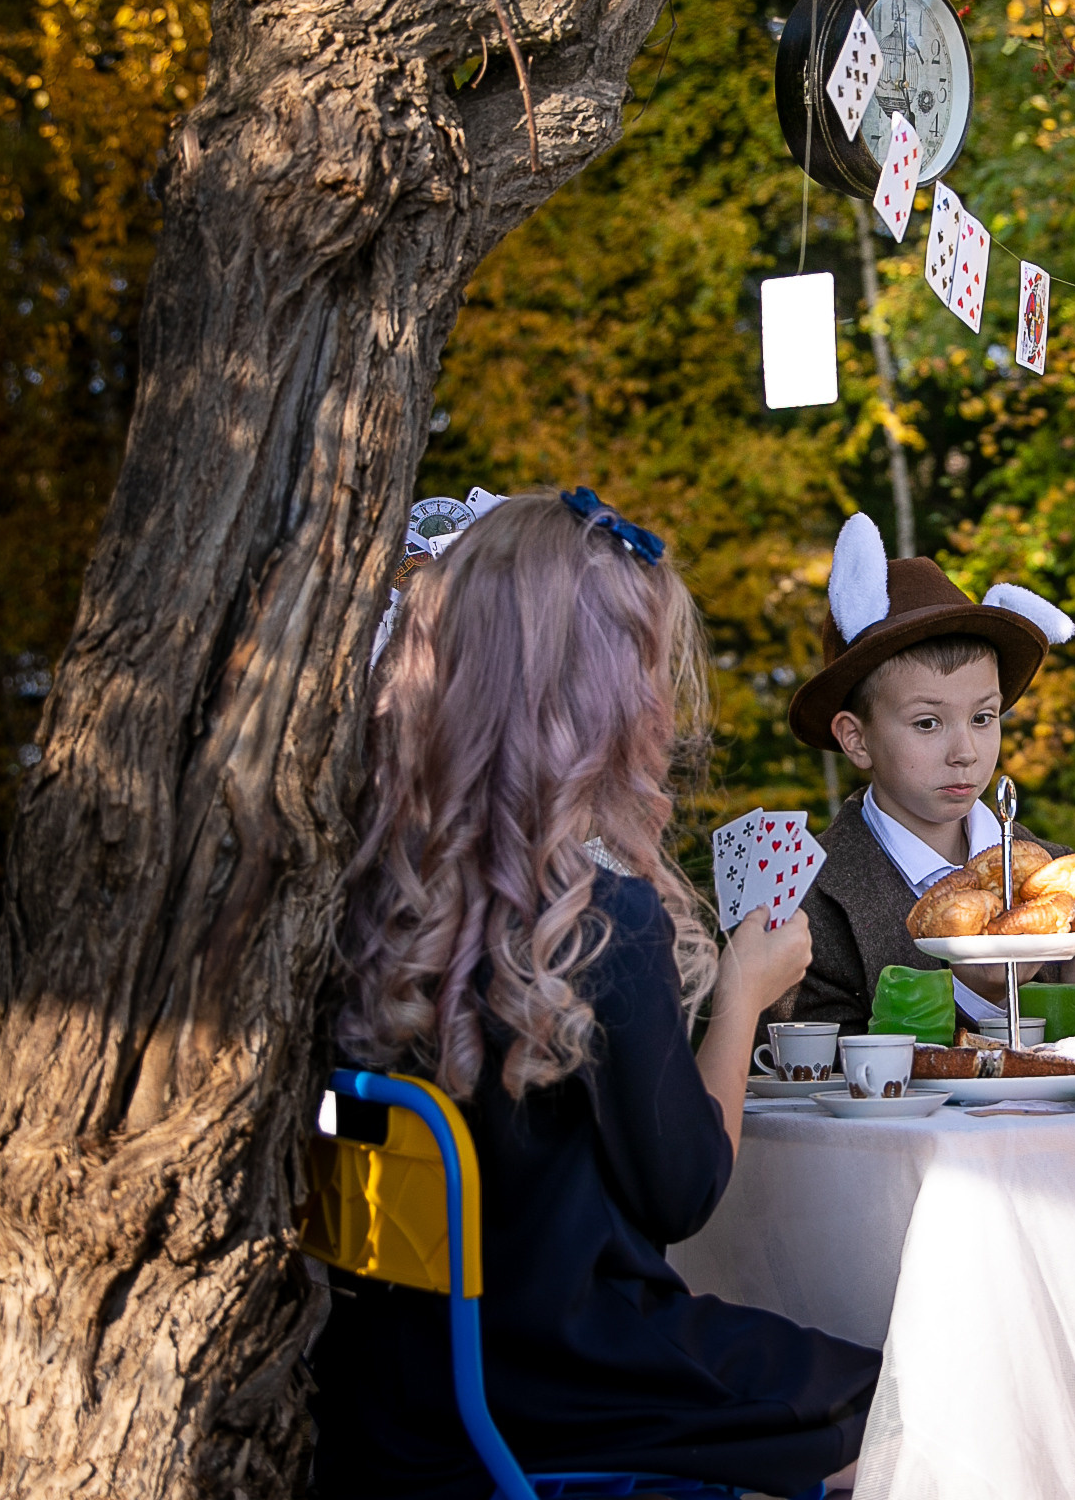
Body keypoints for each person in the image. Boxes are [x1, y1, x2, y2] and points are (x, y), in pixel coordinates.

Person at [310, 487, 878, 1500]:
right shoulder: (601, 916)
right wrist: (741, 995)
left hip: (397, 1386)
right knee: (911, 1400)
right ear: (601, 701)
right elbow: (684, 1191)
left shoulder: (373, 896)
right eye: (651, 671)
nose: (664, 700)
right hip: (566, 1380)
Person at [778, 512, 1075, 1034]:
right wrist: (972, 989)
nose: (964, 751)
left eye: (983, 717)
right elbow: (805, 1078)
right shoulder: (808, 898)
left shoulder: (1056, 877)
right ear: (857, 738)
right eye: (927, 723)